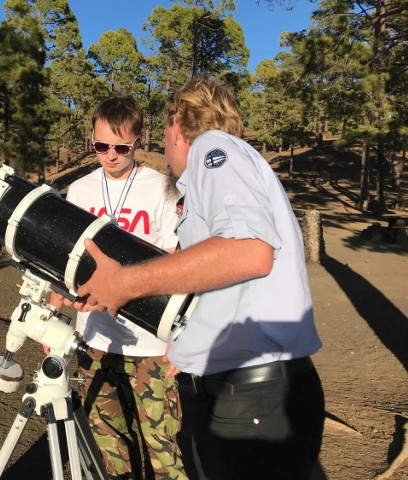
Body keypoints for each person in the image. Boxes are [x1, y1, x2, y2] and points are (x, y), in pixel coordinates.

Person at [71, 78, 325, 480]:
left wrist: (127, 283)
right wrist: (191, 344)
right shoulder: (224, 167)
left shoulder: (212, 149)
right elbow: (227, 276)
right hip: (251, 393)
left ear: (177, 126)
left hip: (251, 398)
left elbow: (250, 251)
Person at [51, 95, 186, 479]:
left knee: (165, 454)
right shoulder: (78, 192)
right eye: (100, 145)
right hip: (93, 342)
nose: (110, 155)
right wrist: (54, 315)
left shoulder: (163, 189)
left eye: (120, 147)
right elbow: (65, 265)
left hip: (151, 345)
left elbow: (176, 267)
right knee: (112, 452)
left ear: (138, 141)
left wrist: (180, 338)